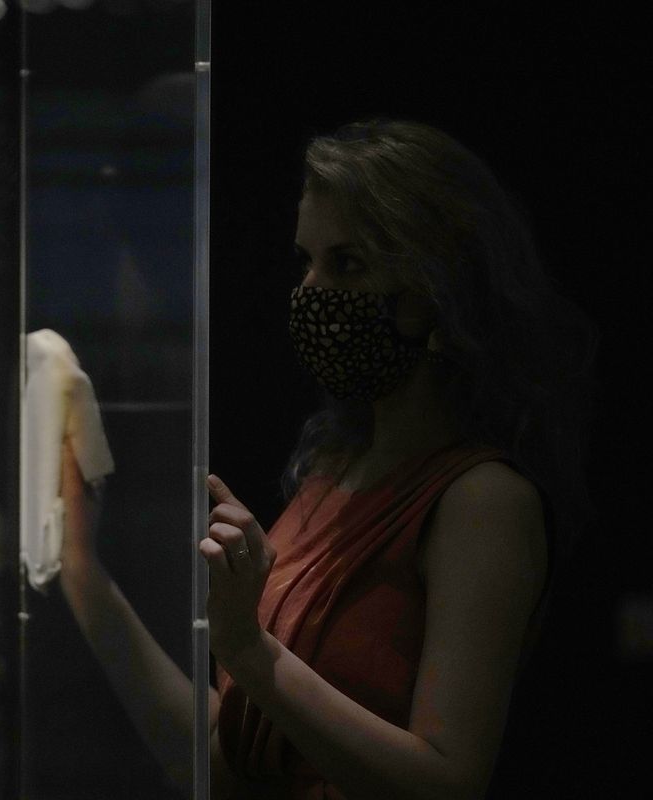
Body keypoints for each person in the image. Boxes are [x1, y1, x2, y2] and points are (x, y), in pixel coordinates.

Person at [59, 119, 594, 799]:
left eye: (348, 264)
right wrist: (84, 573)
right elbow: (230, 766)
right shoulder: (329, 474)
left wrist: (250, 652)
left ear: (436, 288)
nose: (311, 291)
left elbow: (447, 781)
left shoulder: (482, 500)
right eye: (306, 260)